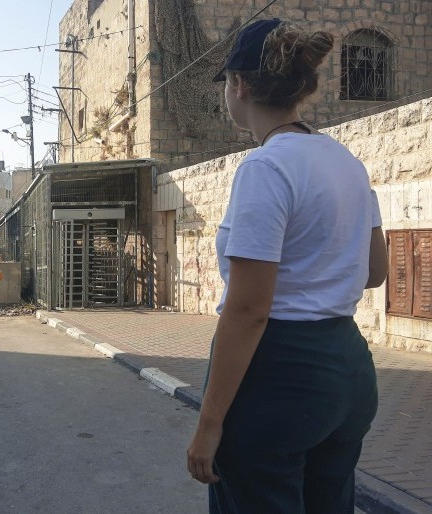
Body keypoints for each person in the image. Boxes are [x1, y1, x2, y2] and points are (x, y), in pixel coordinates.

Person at [186, 18, 388, 514]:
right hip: (347, 370)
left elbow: (249, 311)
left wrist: (209, 424)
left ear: (239, 84)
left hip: (278, 374)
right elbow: (374, 271)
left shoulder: (265, 167)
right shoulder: (347, 162)